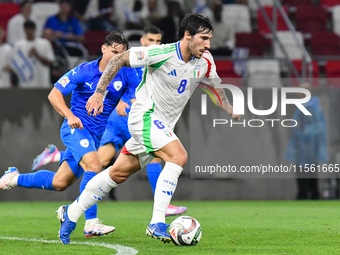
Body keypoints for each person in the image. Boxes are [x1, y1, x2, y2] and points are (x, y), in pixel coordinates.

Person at [56, 13, 240, 245]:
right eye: (203, 38)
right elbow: (118, 60)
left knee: (117, 174)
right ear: (187, 35)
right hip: (145, 117)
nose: (208, 44)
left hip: (162, 126)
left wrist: (229, 108)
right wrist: (100, 92)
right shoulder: (161, 53)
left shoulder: (206, 61)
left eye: (209, 39)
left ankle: (70, 213)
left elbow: (215, 88)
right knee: (178, 156)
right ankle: (157, 222)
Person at [32, 25, 187, 217]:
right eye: (150, 41)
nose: (154, 44)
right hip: (114, 122)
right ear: (142, 42)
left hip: (126, 121)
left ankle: (47, 161)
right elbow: (58, 93)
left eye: (158, 41)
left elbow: (139, 94)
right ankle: (91, 220)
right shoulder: (110, 66)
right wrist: (120, 102)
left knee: (66, 179)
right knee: (100, 164)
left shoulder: (150, 64)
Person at [0, 31, 139, 238]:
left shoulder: (128, 73)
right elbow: (54, 94)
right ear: (103, 49)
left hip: (95, 136)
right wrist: (70, 115)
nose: (117, 57)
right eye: (113, 51)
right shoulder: (85, 70)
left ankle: (14, 178)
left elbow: (136, 101)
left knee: (59, 183)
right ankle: (90, 222)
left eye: (122, 54)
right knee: (94, 165)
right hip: (75, 129)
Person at [285, 83, 329, 200]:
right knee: (311, 169)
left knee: (303, 170)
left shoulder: (307, 106)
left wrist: (303, 134)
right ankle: (313, 193)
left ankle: (304, 193)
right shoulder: (315, 106)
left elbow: (301, 126)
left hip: (304, 145)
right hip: (310, 144)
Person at [10, 20, 55, 88]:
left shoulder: (44, 43)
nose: (28, 31)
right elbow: (15, 65)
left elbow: (49, 63)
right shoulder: (18, 45)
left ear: (34, 30)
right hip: (25, 84)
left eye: (30, 29)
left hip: (42, 82)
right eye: (26, 29)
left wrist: (37, 55)